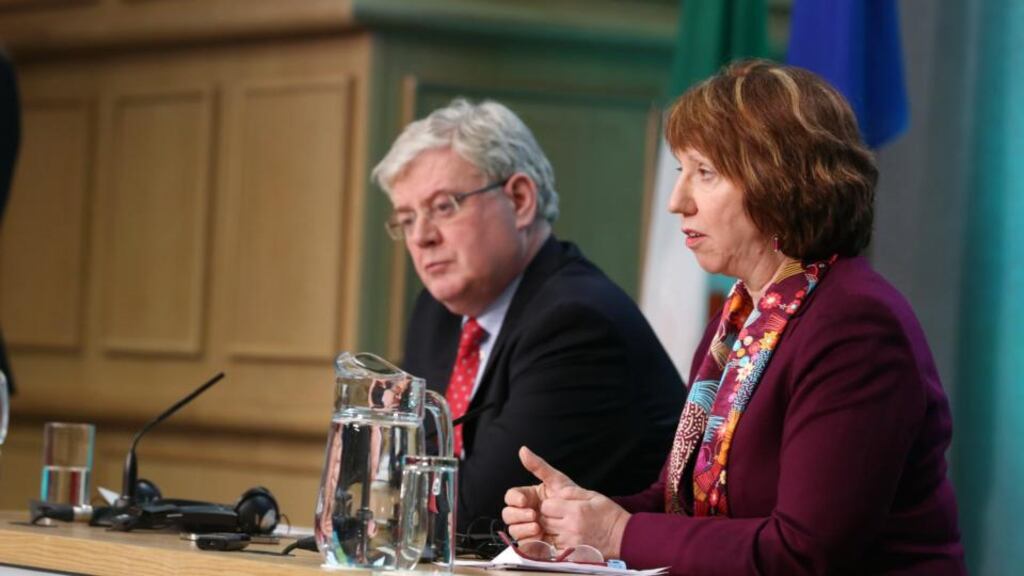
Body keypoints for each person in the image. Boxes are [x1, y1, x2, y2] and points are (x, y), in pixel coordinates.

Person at [502, 60, 966, 575]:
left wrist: (619, 534)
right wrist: (578, 522)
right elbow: (686, 504)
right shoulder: (743, 317)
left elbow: (803, 553)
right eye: (681, 171)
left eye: (705, 173)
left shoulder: (854, 326)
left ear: (779, 182)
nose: (678, 202)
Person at [371, 98, 686, 532]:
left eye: (443, 206)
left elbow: (475, 516)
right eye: (407, 219)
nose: (422, 237)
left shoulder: (576, 324)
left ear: (519, 200)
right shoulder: (436, 314)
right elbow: (383, 485)